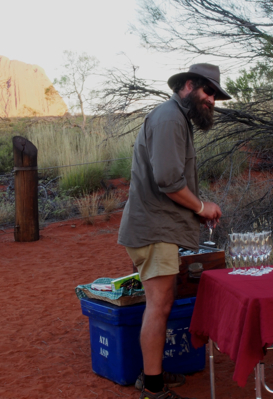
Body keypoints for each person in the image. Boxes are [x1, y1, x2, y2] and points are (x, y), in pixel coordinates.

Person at [118, 64, 232, 399]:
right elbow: (168, 182)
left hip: (156, 227)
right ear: (187, 85)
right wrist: (201, 207)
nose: (211, 100)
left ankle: (151, 373)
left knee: (160, 303)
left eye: (214, 95)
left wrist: (196, 213)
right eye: (207, 92)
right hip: (155, 231)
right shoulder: (169, 119)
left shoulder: (175, 118)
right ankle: (152, 388)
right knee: (159, 304)